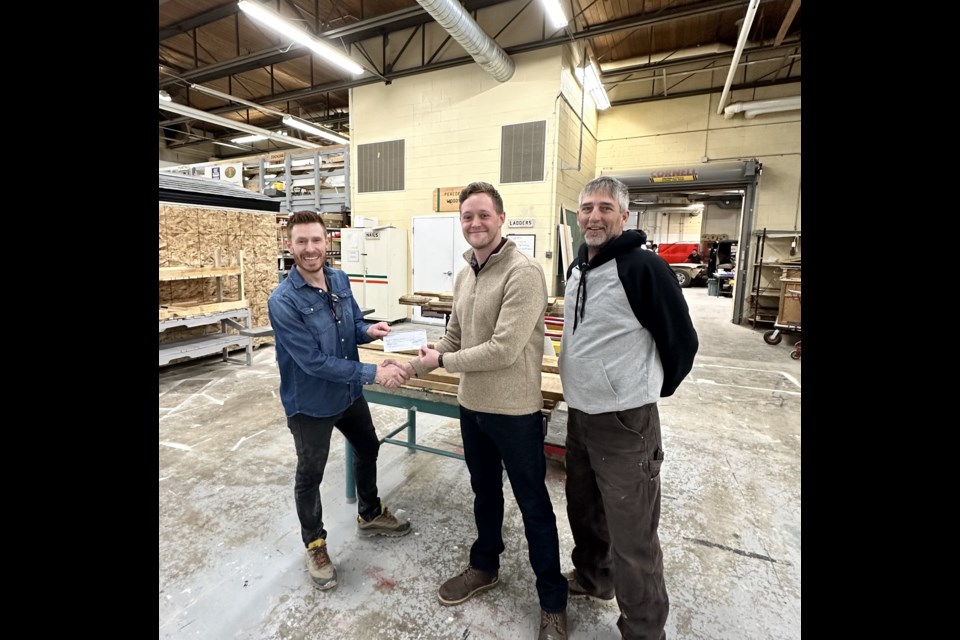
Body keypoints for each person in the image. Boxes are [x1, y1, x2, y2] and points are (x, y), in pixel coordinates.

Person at [403, 182, 569, 640]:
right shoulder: (464, 274)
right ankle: (485, 565)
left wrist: (442, 361)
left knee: (534, 505)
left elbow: (504, 349)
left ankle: (553, 602)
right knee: (484, 493)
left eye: (483, 215)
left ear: (500, 218)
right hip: (472, 406)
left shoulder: (524, 272)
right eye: (467, 217)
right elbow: (453, 338)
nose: (474, 223)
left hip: (514, 411)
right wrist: (418, 359)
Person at [558, 176, 699, 640]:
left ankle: (643, 629)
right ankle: (594, 579)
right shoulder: (578, 267)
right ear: (578, 216)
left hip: (625, 423)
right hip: (580, 415)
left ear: (624, 216)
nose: (594, 216)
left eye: (604, 207)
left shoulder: (644, 268)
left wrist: (645, 390)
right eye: (586, 208)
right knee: (586, 512)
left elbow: (681, 341)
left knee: (633, 537)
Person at [267, 211, 412, 592]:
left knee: (368, 446)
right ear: (290, 245)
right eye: (302, 242)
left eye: (316, 240)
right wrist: (373, 372)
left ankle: (369, 513)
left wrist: (370, 331)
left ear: (327, 241)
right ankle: (314, 544)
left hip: (347, 393)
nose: (310, 248)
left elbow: (349, 328)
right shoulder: (283, 301)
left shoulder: (338, 278)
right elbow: (313, 361)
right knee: (310, 474)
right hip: (310, 402)